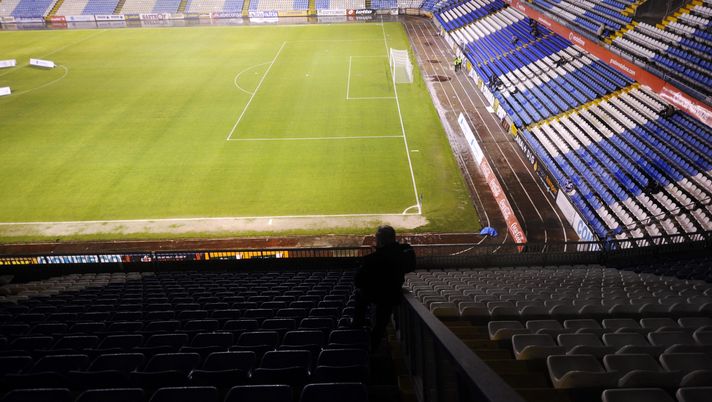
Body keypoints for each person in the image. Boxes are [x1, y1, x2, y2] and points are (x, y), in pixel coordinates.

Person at [352, 225, 416, 351]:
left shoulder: (372, 259)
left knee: (360, 298)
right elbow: (410, 266)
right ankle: (373, 347)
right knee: (381, 323)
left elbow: (358, 282)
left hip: (375, 294)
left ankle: (358, 329)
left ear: (380, 240)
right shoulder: (403, 253)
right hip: (391, 295)